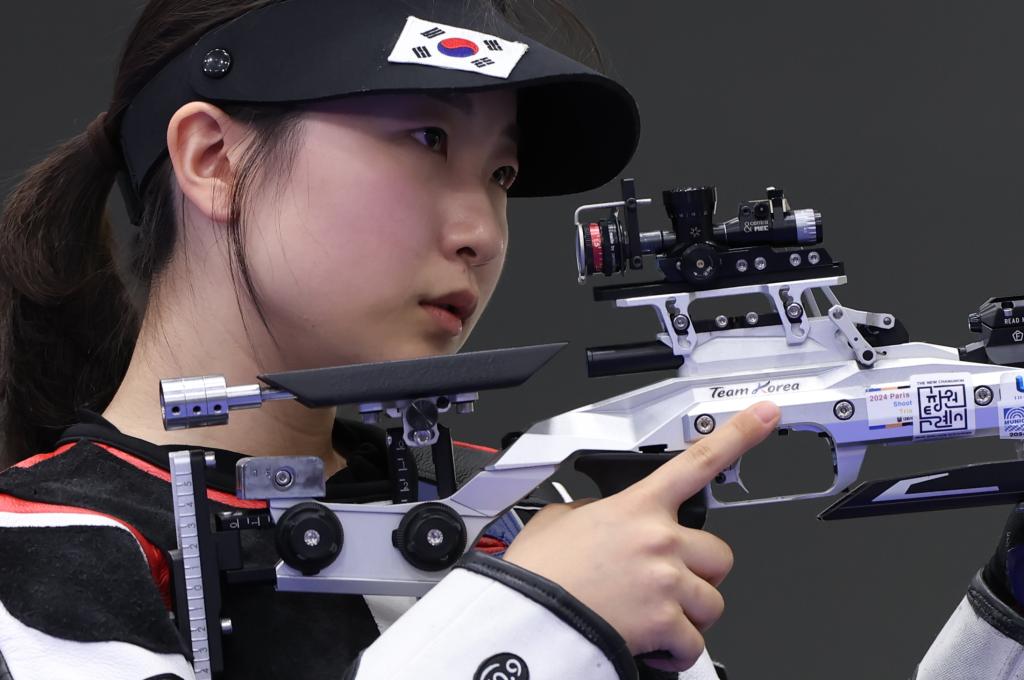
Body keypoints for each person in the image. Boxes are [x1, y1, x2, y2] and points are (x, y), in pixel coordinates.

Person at [0, 1, 783, 679]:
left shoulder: (520, 510)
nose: (482, 234)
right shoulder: (38, 553)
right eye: (427, 138)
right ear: (213, 161)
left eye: (501, 175)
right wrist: (535, 616)